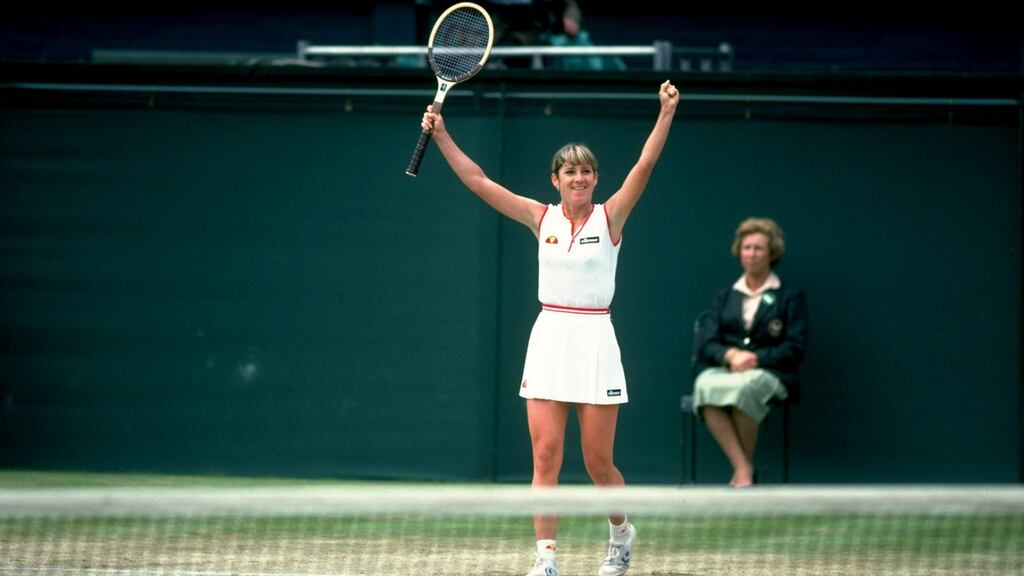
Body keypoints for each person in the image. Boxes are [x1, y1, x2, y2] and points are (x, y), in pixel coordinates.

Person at [420, 80, 679, 576]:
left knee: (598, 463)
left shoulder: (611, 218)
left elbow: (644, 166)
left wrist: (665, 113)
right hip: (549, 340)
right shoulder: (540, 217)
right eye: (569, 171)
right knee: (545, 455)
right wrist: (443, 136)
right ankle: (546, 559)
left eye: (586, 171)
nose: (578, 178)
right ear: (555, 179)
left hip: (596, 339)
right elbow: (479, 181)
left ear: (596, 179)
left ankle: (621, 534)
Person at [692, 217, 808, 487]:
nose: (752, 254)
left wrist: (755, 359)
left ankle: (742, 473)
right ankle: (743, 467)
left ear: (771, 253)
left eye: (758, 248)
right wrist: (730, 356)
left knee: (747, 389)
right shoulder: (725, 296)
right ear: (739, 252)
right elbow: (707, 344)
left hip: (773, 374)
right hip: (729, 370)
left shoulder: (789, 297)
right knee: (704, 385)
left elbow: (794, 348)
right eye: (747, 248)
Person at [546, 1, 626, 71]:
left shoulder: (587, 45)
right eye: (567, 22)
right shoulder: (556, 43)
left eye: (573, 22)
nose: (570, 25)